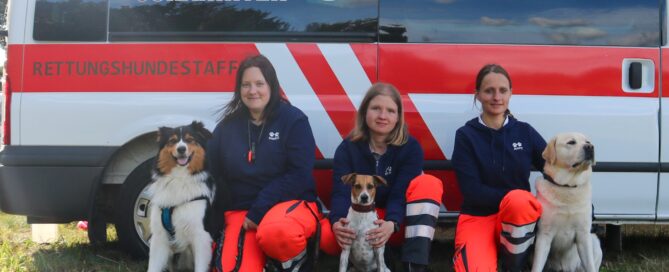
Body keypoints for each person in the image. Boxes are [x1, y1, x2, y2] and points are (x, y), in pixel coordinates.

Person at [207, 54, 334, 272]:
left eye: (259, 83)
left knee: (277, 233)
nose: (252, 91)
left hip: (288, 206)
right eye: (245, 85)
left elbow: (299, 176)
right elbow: (209, 172)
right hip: (242, 213)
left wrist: (259, 209)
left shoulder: (294, 121)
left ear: (271, 85)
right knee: (231, 269)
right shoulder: (227, 127)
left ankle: (295, 262)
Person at [329, 82, 443, 271]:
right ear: (364, 112)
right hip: (358, 217)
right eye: (376, 108)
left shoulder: (411, 148)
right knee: (326, 235)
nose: (383, 116)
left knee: (429, 183)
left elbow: (399, 193)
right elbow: (340, 191)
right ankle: (355, 263)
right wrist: (337, 223)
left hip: (398, 221)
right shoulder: (348, 147)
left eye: (390, 110)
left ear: (398, 117)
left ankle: (414, 265)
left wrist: (392, 223)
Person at [451, 64, 546, 271]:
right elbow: (471, 191)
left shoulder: (525, 131)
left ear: (511, 94)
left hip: (516, 216)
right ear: (477, 95)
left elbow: (554, 170)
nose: (496, 97)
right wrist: (510, 198)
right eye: (488, 91)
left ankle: (515, 265)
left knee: (520, 201)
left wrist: (578, 204)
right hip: (478, 216)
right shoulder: (466, 135)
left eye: (503, 90)